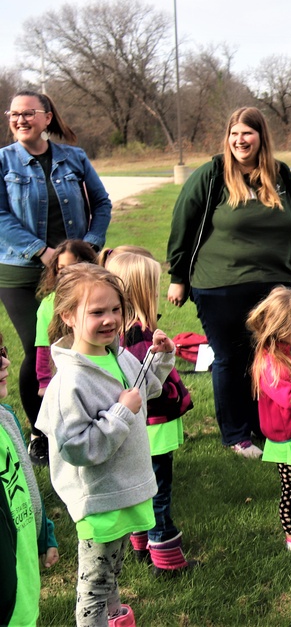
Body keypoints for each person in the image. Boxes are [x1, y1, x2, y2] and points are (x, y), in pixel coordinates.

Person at [35, 263, 177, 627]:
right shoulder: (70, 381)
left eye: (115, 309)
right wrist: (119, 414)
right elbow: (78, 448)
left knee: (111, 573)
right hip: (99, 500)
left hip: (123, 489)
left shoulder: (115, 353)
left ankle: (114, 619)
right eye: (97, 312)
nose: (110, 319)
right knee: (94, 587)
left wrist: (158, 358)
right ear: (67, 315)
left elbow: (143, 391)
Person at [166, 107, 291, 458]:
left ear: (261, 137)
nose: (240, 140)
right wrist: (178, 278)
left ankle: (266, 424)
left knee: (271, 357)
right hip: (220, 285)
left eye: (247, 133)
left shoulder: (282, 176)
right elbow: (183, 224)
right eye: (234, 133)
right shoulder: (213, 175)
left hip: (276, 287)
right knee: (231, 358)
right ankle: (236, 434)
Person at [0, 90, 112, 466]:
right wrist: (42, 251)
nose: (19, 119)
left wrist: (89, 249)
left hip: (73, 272)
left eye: (28, 113)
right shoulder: (3, 161)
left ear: (47, 118)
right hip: (21, 272)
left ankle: (84, 422)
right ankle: (40, 431)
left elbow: (101, 203)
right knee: (39, 351)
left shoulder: (74, 158)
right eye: (13, 114)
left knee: (78, 346)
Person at [104, 250, 196, 575]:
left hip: (143, 430)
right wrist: (173, 390)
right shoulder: (139, 339)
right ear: (142, 290)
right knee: (159, 494)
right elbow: (148, 390)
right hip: (154, 430)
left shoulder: (118, 337)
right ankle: (167, 559)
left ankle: (141, 543)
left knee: (145, 489)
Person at [248, 286, 291, 556]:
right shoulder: (270, 362)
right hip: (284, 437)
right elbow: (288, 397)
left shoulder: (286, 350)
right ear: (281, 326)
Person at [1, 331, 59, 626]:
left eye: (2, 350)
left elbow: (27, 486)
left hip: (24, 590)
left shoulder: (6, 418)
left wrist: (43, 534)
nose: (5, 362)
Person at [35, 239, 99, 405]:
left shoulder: (101, 299)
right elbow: (43, 346)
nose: (68, 274)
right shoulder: (48, 304)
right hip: (64, 377)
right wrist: (44, 383)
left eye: (74, 267)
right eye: (62, 269)